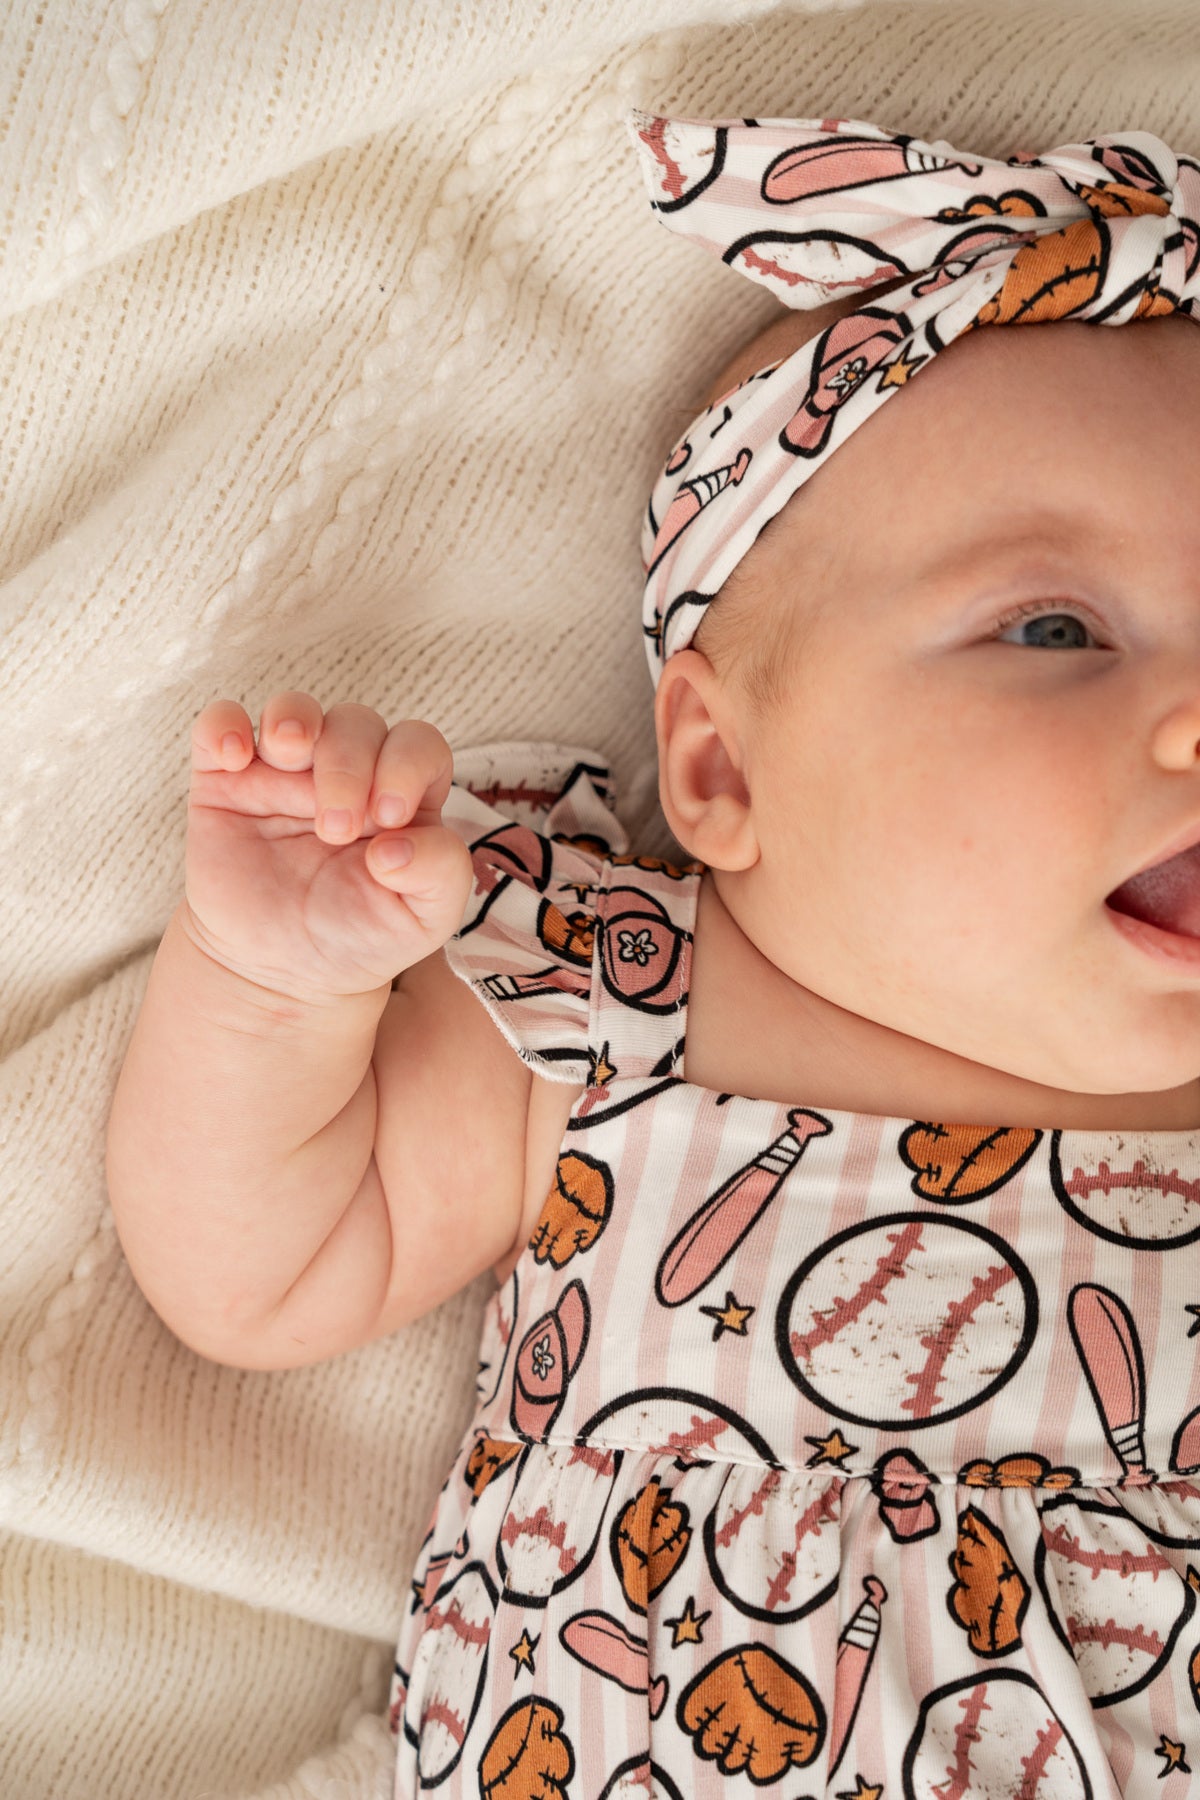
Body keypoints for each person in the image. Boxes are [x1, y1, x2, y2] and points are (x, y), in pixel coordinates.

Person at [104, 109, 1200, 1796]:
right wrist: (269, 985)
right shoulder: (622, 1002)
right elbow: (262, 1272)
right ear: (720, 769)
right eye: (1053, 630)